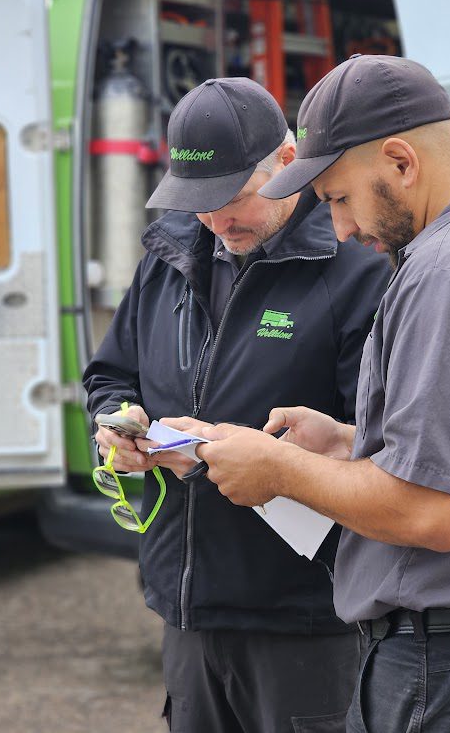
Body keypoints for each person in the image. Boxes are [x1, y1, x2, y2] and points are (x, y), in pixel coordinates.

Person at [179, 56, 450, 732]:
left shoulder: (448, 274)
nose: (344, 229)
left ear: (400, 161)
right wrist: (348, 439)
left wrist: (280, 469)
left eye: (338, 198)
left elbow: (434, 511)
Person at [83, 77, 391, 733]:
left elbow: (381, 447)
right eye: (198, 202)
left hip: (306, 620)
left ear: (287, 162)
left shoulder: (355, 268)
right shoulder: (165, 257)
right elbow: (110, 374)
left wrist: (249, 455)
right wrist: (119, 425)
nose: (217, 219)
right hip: (187, 610)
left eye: (234, 196)